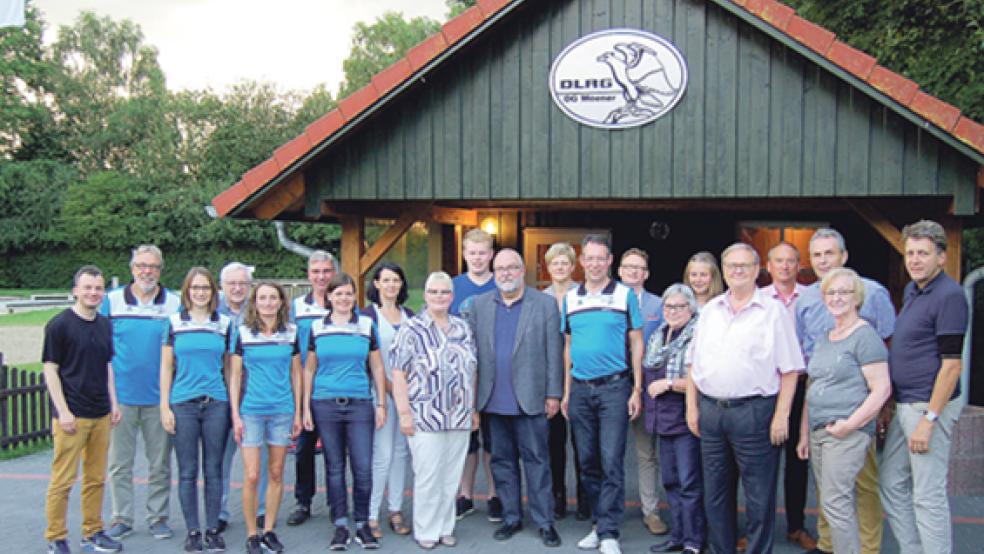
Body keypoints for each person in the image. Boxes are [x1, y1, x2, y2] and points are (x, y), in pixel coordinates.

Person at [686, 242, 803, 554]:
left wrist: (782, 416)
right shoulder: (710, 311)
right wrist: (692, 409)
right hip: (711, 412)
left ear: (756, 270)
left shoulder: (773, 312)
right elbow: (693, 364)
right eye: (731, 266)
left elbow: (790, 370)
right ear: (723, 272)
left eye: (744, 265)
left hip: (755, 413)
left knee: (758, 495)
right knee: (716, 493)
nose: (737, 271)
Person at [795, 228, 896, 554]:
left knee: (859, 486)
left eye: (830, 253)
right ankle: (829, 545)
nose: (824, 260)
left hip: (853, 416)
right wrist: (805, 430)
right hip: (821, 420)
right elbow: (809, 366)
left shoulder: (872, 293)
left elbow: (884, 354)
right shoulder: (807, 300)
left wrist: (874, 412)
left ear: (844, 256)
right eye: (818, 255)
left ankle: (867, 548)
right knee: (829, 493)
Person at [464, 249, 563, 547]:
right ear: (494, 273)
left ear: (522, 271)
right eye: (500, 269)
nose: (506, 273)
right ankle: (511, 517)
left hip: (531, 397)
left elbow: (554, 352)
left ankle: (545, 521)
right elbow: (471, 354)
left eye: (512, 268)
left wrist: (554, 393)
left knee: (537, 461)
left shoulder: (544, 304)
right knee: (502, 463)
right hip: (493, 399)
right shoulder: (479, 305)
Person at [881, 220, 969, 554]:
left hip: (926, 407)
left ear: (942, 257)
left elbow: (952, 365)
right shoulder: (913, 291)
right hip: (906, 404)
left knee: (928, 494)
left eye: (923, 253)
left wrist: (929, 419)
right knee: (891, 482)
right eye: (911, 253)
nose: (915, 260)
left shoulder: (950, 296)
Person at [561, 234, 644, 554]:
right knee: (587, 461)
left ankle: (609, 531)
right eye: (589, 258)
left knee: (611, 460)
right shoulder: (571, 298)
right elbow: (568, 346)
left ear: (610, 261)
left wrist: (636, 388)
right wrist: (567, 392)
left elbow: (636, 341)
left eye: (601, 258)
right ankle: (598, 523)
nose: (594, 264)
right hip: (580, 389)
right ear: (581, 262)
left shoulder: (624, 296)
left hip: (614, 387)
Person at [390, 271, 479, 550]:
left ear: (452, 296)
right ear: (425, 295)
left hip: (459, 414)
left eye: (444, 292)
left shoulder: (462, 327)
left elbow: (472, 370)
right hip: (424, 416)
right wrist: (404, 412)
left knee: (451, 475)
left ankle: (445, 526)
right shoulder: (412, 329)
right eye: (433, 292)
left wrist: (473, 407)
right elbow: (398, 373)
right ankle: (426, 528)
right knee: (428, 475)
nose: (439, 297)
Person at [303, 272, 388, 550]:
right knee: (334, 467)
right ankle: (340, 524)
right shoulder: (317, 327)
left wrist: (381, 404)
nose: (343, 298)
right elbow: (309, 369)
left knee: (363, 468)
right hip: (325, 404)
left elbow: (376, 366)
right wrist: (305, 407)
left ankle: (362, 523)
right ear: (329, 297)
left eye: (348, 293)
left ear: (355, 297)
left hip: (360, 404)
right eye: (338, 293)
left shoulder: (365, 325)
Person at [103, 245, 182, 541]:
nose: (146, 271)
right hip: (120, 397)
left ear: (161, 270)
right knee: (119, 463)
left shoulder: (173, 303)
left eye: (153, 266)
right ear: (131, 268)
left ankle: (158, 517)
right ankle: (121, 517)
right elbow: (102, 348)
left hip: (159, 399)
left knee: (159, 463)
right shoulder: (111, 302)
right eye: (141, 266)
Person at [43, 265, 124, 554]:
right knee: (63, 480)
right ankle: (56, 536)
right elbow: (50, 369)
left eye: (98, 288)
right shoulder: (59, 325)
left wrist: (114, 402)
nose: (93, 293)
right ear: (76, 290)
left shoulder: (104, 324)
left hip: (101, 413)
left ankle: (93, 532)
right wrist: (62, 411)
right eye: (88, 287)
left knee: (96, 478)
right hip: (72, 416)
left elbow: (107, 365)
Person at [160, 267, 233, 553]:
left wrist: (232, 406)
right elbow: (166, 367)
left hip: (216, 403)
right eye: (195, 288)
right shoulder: (174, 322)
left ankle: (212, 529)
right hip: (183, 404)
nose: (200, 293)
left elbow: (229, 368)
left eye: (205, 288)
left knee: (214, 470)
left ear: (213, 292)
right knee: (188, 471)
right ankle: (193, 530)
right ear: (187, 291)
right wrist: (164, 406)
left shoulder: (224, 324)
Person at [229, 282, 303, 554]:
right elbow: (235, 376)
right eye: (263, 298)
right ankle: (251, 534)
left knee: (275, 472)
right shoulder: (243, 333)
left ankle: (269, 530)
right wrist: (235, 414)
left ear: (281, 302)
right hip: (251, 412)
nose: (269, 303)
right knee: (250, 475)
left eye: (273, 298)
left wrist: (298, 411)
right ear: (255, 302)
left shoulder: (292, 332)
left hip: (282, 411)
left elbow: (296, 373)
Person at [762, 242, 816, 551]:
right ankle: (761, 527)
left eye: (790, 261)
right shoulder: (758, 301)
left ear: (799, 266)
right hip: (768, 388)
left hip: (802, 387)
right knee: (762, 463)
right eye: (778, 261)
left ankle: (796, 525)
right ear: (769, 267)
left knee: (798, 459)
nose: (784, 266)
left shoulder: (813, 297)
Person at [645, 284, 705, 554]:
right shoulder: (660, 334)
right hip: (663, 419)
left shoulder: (699, 334)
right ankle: (678, 536)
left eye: (679, 306)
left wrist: (669, 383)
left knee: (689, 482)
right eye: (668, 306)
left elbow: (700, 378)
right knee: (670, 480)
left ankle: (694, 540)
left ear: (691, 308)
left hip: (685, 417)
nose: (672, 311)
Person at [450, 228, 501, 521]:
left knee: (493, 441)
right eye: (473, 253)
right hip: (460, 376)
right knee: (466, 440)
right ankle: (465, 494)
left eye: (483, 253)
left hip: (494, 375)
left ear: (491, 255)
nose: (478, 258)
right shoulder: (454, 286)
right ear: (465, 254)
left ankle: (494, 495)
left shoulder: (500, 285)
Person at [618, 248, 668, 536]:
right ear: (620, 271)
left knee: (646, 451)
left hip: (647, 386)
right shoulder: (608, 301)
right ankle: (608, 510)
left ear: (646, 274)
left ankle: (651, 510)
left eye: (639, 268)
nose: (633, 272)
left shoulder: (659, 305)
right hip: (612, 383)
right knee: (609, 451)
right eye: (628, 267)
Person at [363, 263, 414, 538]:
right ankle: (372, 514)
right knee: (382, 454)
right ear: (377, 284)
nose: (391, 285)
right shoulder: (367, 317)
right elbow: (370, 362)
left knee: (401, 453)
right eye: (386, 280)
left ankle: (395, 509)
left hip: (406, 397)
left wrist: (404, 392)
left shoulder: (410, 316)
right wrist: (390, 389)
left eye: (396, 280)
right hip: (379, 395)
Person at [286, 250, 336, 527]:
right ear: (308, 274)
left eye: (326, 271)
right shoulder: (296, 308)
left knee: (334, 450)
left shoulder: (343, 303)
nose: (321, 277)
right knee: (304, 448)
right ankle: (303, 501)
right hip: (305, 389)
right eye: (316, 271)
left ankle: (335, 502)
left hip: (333, 388)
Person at [541, 241, 589, 521]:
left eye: (565, 263)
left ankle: (585, 498)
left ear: (573, 267)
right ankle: (557, 496)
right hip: (552, 379)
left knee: (582, 442)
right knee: (553, 444)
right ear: (548, 268)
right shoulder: (541, 298)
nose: (560, 267)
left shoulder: (583, 295)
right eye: (555, 263)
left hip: (580, 375)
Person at [216, 261, 260, 532]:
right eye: (231, 283)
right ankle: (219, 511)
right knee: (220, 457)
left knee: (258, 459)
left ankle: (261, 510)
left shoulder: (260, 311)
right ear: (222, 287)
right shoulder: (210, 312)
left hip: (254, 394)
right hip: (220, 394)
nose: (237, 288)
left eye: (242, 283)